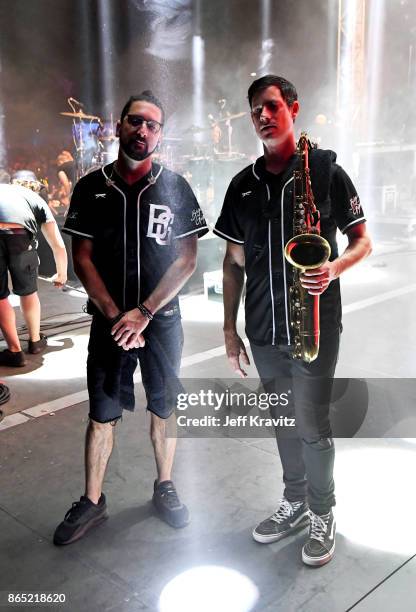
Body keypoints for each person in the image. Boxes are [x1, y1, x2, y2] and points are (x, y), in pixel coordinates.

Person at [214, 75, 372, 567]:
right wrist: (229, 329)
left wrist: (334, 267)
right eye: (255, 109)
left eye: (272, 106)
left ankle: (323, 512)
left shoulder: (325, 171)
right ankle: (296, 501)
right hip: (263, 329)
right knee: (285, 422)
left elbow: (362, 240)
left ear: (293, 109)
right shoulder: (242, 185)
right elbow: (232, 262)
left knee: (312, 425)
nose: (263, 115)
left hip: (316, 326)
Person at [55, 90, 208, 545]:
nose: (143, 131)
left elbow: (187, 259)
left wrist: (143, 313)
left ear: (161, 135)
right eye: (135, 121)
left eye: (153, 125)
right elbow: (81, 258)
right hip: (109, 321)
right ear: (118, 126)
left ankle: (165, 486)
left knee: (165, 405)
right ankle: (92, 501)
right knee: (102, 412)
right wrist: (115, 315)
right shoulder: (90, 186)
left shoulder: (175, 186)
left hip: (160, 321)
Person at [0, 169, 67, 367]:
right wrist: (62, 274)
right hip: (21, 237)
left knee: (0, 297)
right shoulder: (34, 198)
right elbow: (58, 244)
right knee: (28, 291)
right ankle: (35, 341)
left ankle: (15, 352)